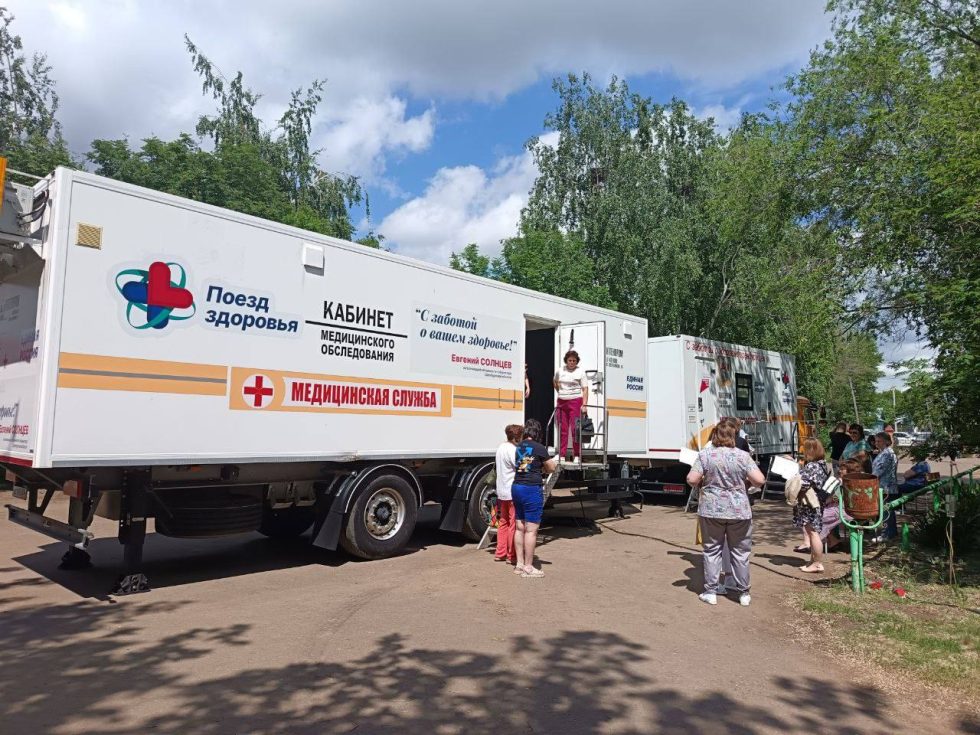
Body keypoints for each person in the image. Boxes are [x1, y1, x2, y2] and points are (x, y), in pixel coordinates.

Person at [686, 422, 766, 606]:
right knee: (740, 552)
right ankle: (744, 593)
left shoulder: (706, 455)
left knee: (712, 550)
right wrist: (745, 483)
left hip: (711, 510)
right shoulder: (743, 456)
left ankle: (711, 591)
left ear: (715, 435)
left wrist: (704, 482)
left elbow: (691, 478)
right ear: (733, 436)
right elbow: (760, 480)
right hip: (739, 511)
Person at [512, 419, 557, 578]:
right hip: (531, 489)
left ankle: (519, 564)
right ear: (537, 432)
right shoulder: (539, 447)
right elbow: (551, 467)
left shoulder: (519, 446)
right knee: (531, 530)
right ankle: (529, 567)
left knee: (519, 527)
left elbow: (522, 465)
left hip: (516, 487)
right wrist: (544, 467)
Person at [792, 438, 832, 573]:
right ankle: (813, 561)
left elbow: (803, 483)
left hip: (810, 504)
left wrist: (793, 478)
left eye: (805, 449)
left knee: (813, 533)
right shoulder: (822, 464)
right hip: (817, 503)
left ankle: (817, 563)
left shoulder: (812, 466)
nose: (803, 452)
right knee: (813, 532)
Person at [493, 424, 523, 565]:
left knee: (503, 522)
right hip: (512, 491)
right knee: (513, 524)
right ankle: (511, 555)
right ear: (517, 437)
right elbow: (521, 467)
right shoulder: (513, 450)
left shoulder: (500, 447)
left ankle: (500, 553)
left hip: (501, 491)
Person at [553, 350, 589, 463]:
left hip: (575, 401)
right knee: (563, 429)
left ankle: (577, 455)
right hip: (562, 402)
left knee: (575, 429)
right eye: (570, 360)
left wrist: (584, 404)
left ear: (577, 361)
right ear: (566, 361)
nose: (572, 362)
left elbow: (585, 389)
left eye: (574, 360)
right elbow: (555, 381)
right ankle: (562, 454)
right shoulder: (560, 371)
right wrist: (561, 391)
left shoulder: (581, 372)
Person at [872, 431, 899, 540]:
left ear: (887, 442)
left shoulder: (887, 454)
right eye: (876, 441)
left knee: (886, 511)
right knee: (888, 511)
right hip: (884, 486)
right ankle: (891, 533)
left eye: (879, 441)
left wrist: (868, 478)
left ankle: (886, 534)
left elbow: (879, 470)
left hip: (886, 487)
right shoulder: (884, 452)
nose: (876, 443)